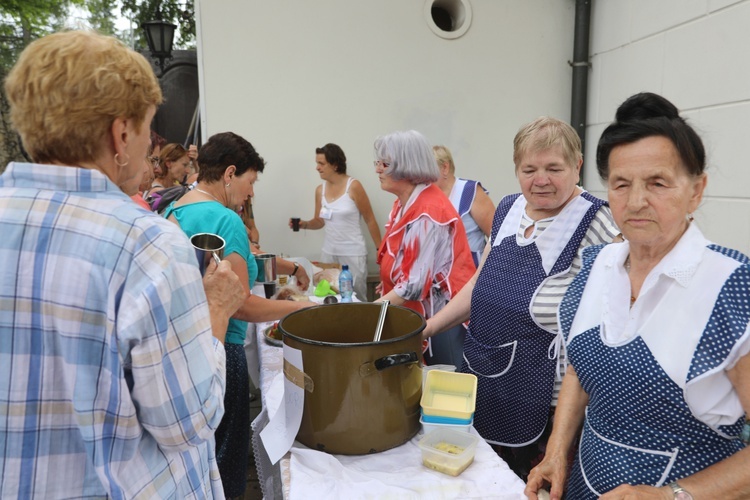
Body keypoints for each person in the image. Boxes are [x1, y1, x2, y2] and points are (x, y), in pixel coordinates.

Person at [0, 30, 247, 498]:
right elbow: (188, 421)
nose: (151, 154)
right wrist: (216, 312)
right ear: (121, 133)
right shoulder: (146, 244)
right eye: (147, 129)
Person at [526, 93, 750, 500]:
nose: (636, 202)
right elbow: (579, 372)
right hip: (584, 487)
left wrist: (672, 495)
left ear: (696, 190)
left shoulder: (730, 285)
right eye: (621, 184)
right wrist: (557, 452)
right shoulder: (598, 266)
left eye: (658, 183)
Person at [422, 117, 620, 480]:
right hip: (484, 376)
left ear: (576, 165)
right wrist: (430, 326)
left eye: (553, 168)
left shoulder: (598, 222)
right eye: (529, 169)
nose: (540, 179)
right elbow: (481, 282)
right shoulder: (509, 209)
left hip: (545, 400)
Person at [164, 131, 315, 498]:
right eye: (250, 182)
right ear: (230, 172)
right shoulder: (225, 218)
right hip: (223, 348)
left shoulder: (175, 208)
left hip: (186, 345)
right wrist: (303, 307)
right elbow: (242, 304)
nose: (250, 194)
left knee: (203, 455)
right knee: (227, 459)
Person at [373, 130, 476, 366]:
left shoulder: (428, 211)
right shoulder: (404, 202)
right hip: (420, 312)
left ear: (408, 167)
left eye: (385, 164)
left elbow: (414, 285)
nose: (378, 169)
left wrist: (369, 312)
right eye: (378, 162)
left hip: (443, 319)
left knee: (441, 388)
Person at [292, 143, 381, 301]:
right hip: (329, 254)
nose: (317, 168)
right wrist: (304, 224)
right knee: (328, 296)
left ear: (335, 165)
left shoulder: (353, 186)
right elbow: (319, 221)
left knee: (356, 298)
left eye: (321, 163)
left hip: (353, 253)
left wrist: (381, 250)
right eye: (317, 163)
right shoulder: (320, 190)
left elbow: (370, 219)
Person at [433, 145, 495, 266]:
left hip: (472, 271)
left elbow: (496, 235)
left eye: (427, 169)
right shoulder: (428, 196)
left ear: (445, 168)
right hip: (441, 277)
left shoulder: (470, 191)